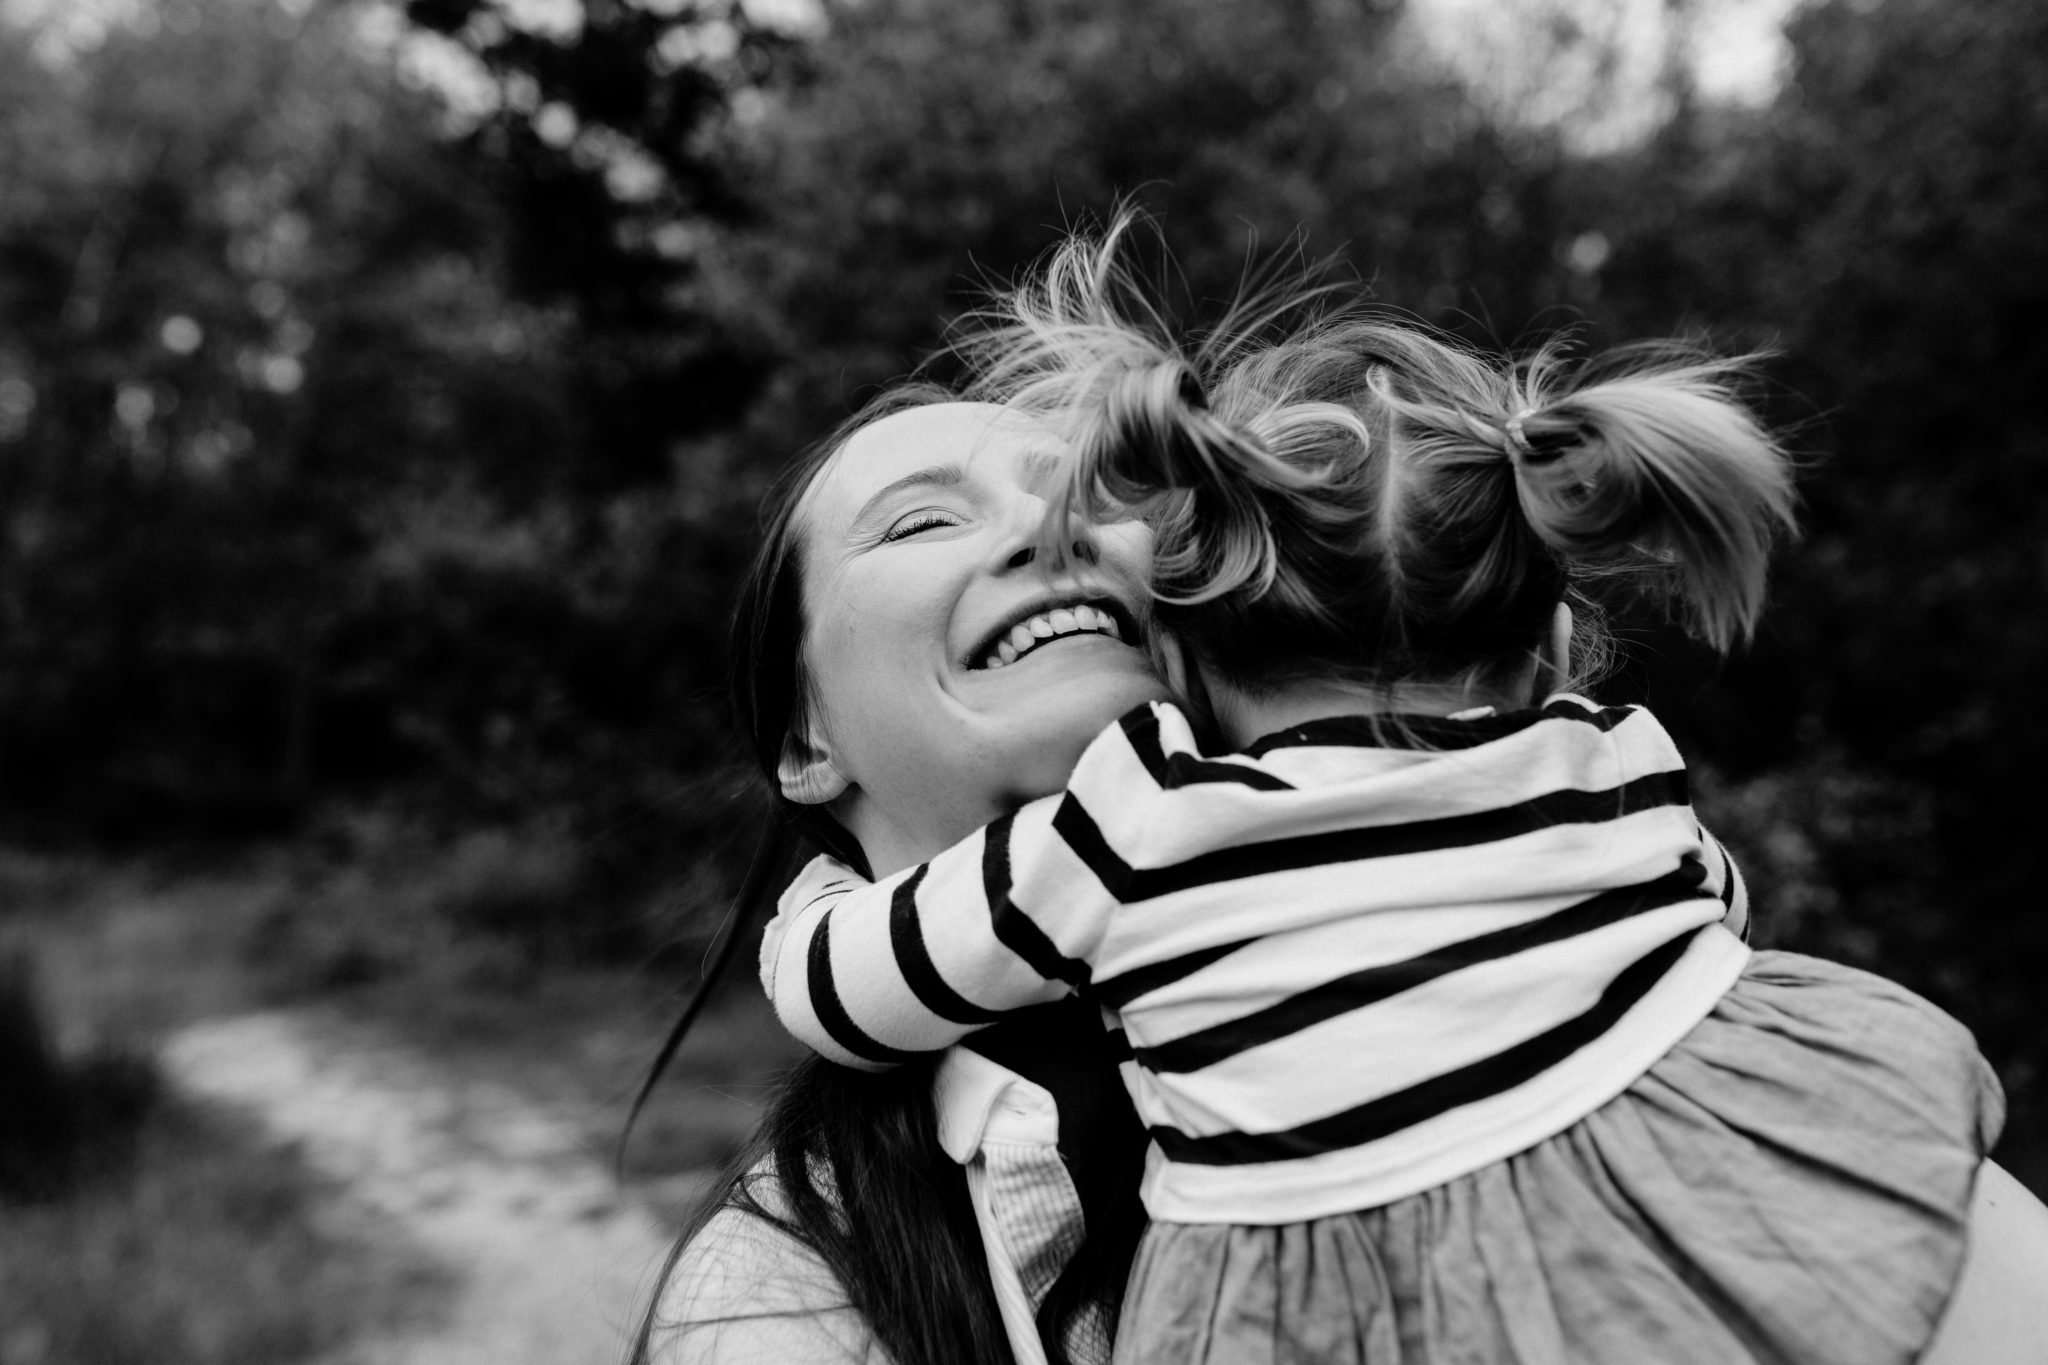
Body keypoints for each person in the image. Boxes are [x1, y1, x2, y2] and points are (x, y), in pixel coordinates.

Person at [639, 221, 2048, 1365]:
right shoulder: (781, 1300)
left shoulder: (1136, 819)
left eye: (1080, 493)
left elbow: (833, 979)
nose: (1042, 530)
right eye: (926, 517)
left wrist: (823, 905)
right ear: (806, 736)